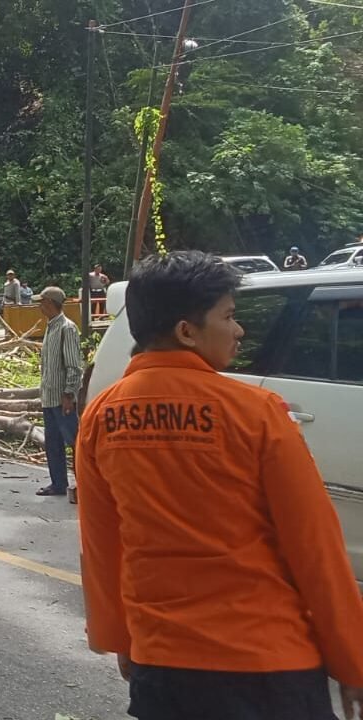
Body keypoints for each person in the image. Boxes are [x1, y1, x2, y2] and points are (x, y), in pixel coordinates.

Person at [78, 251, 363, 720]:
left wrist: (121, 640)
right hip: (269, 664)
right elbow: (315, 548)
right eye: (229, 316)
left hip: (163, 666)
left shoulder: (101, 416)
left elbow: (103, 544)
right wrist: (351, 659)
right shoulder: (257, 412)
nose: (239, 330)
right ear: (186, 331)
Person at [35, 286, 82, 496]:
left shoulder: (66, 328)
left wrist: (69, 394)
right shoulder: (50, 327)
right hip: (49, 396)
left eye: (42, 302)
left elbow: (73, 365)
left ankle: (85, 482)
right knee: (53, 443)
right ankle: (58, 483)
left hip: (63, 398)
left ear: (51, 303)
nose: (40, 306)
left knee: (74, 442)